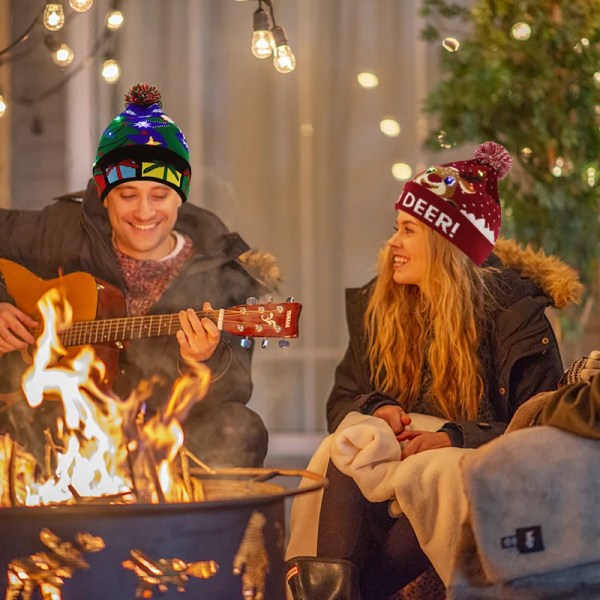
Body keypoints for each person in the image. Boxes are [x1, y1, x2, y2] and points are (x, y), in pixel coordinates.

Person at [285, 142, 584, 599]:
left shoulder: (512, 314)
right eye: (395, 228)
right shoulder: (379, 306)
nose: (392, 244)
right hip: (390, 462)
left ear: (446, 243)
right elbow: (344, 400)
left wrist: (452, 437)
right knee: (346, 443)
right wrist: (379, 408)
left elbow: (539, 430)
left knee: (428, 476)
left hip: (472, 464)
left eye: (408, 231)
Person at [0, 83, 273, 468]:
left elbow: (236, 388)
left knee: (239, 427)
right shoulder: (61, 231)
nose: (144, 212)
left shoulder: (222, 269)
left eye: (159, 195)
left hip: (164, 431)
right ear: (104, 194)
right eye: (128, 194)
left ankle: (197, 529)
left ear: (180, 196)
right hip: (63, 421)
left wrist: (203, 362)